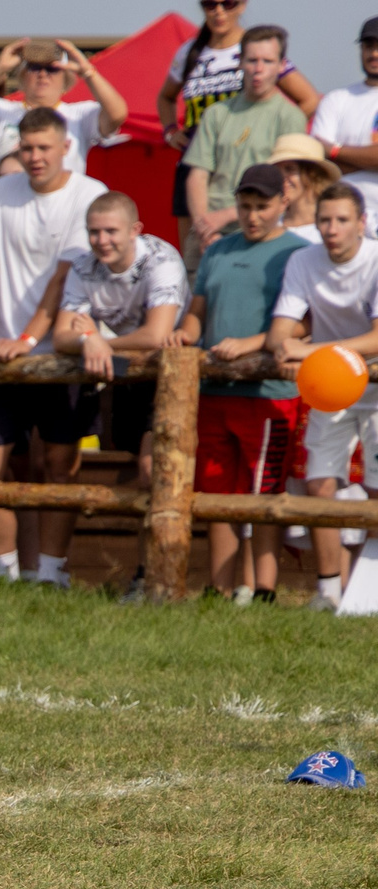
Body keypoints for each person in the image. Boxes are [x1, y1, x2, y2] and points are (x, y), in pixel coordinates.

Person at [0, 108, 108, 585]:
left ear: (66, 148)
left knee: (58, 466)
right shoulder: (0, 193)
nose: (35, 157)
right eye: (27, 148)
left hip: (63, 352)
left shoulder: (89, 194)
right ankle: (5, 573)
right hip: (2, 354)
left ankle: (51, 574)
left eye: (43, 148)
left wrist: (28, 339)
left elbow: (64, 279)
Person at [181, 166, 307, 600]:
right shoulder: (217, 251)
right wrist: (184, 336)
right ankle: (219, 589)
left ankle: (261, 589)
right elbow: (197, 311)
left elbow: (305, 323)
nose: (252, 216)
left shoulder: (298, 253)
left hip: (268, 393)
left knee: (263, 493)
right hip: (214, 389)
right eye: (245, 206)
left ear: (283, 202)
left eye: (262, 207)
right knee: (216, 491)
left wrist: (251, 345)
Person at [270, 178, 378, 610]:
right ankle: (329, 590)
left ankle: (368, 589)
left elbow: (377, 339)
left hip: (374, 388)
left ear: (362, 223)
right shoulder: (303, 260)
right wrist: (287, 347)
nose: (332, 229)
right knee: (319, 483)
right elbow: (282, 328)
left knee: (377, 490)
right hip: (330, 390)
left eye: (342, 220)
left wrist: (310, 351)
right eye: (325, 220)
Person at [49, 192, 187, 488]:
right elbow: (61, 337)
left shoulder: (161, 260)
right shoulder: (83, 267)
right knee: (128, 456)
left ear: (135, 230)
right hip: (125, 370)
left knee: (153, 470)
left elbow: (157, 335)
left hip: (170, 371)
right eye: (94, 232)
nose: (101, 241)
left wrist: (96, 340)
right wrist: (88, 341)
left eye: (111, 231)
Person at [160, 0, 319, 256]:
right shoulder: (190, 51)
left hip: (251, 167)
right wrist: (170, 130)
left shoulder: (257, 46)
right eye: (210, 4)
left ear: (242, 5)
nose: (219, 11)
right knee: (192, 252)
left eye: (228, 3)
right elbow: (165, 96)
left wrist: (278, 135)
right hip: (200, 155)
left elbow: (309, 98)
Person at [185, 28, 309, 256]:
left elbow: (288, 185)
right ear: (240, 62)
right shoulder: (217, 113)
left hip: (263, 232)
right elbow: (197, 176)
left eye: (268, 61)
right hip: (210, 233)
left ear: (282, 65)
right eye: (252, 60)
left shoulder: (291, 117)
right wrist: (205, 229)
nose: (258, 69)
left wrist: (229, 214)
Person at [0, 37, 126, 179]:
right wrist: (0, 68)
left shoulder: (79, 115)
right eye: (34, 67)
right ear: (23, 76)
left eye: (52, 69)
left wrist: (88, 72)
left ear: (66, 79)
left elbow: (117, 115)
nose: (42, 74)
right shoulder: (0, 109)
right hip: (3, 201)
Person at [311, 19, 378, 224]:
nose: (374, 53)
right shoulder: (336, 99)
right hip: (340, 220)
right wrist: (369, 160)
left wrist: (335, 151)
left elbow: (328, 155)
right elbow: (318, 164)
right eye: (368, 46)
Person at [271, 131, 339, 233]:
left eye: (290, 169)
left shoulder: (332, 229)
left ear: (313, 174)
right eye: (276, 171)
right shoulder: (268, 227)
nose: (281, 177)